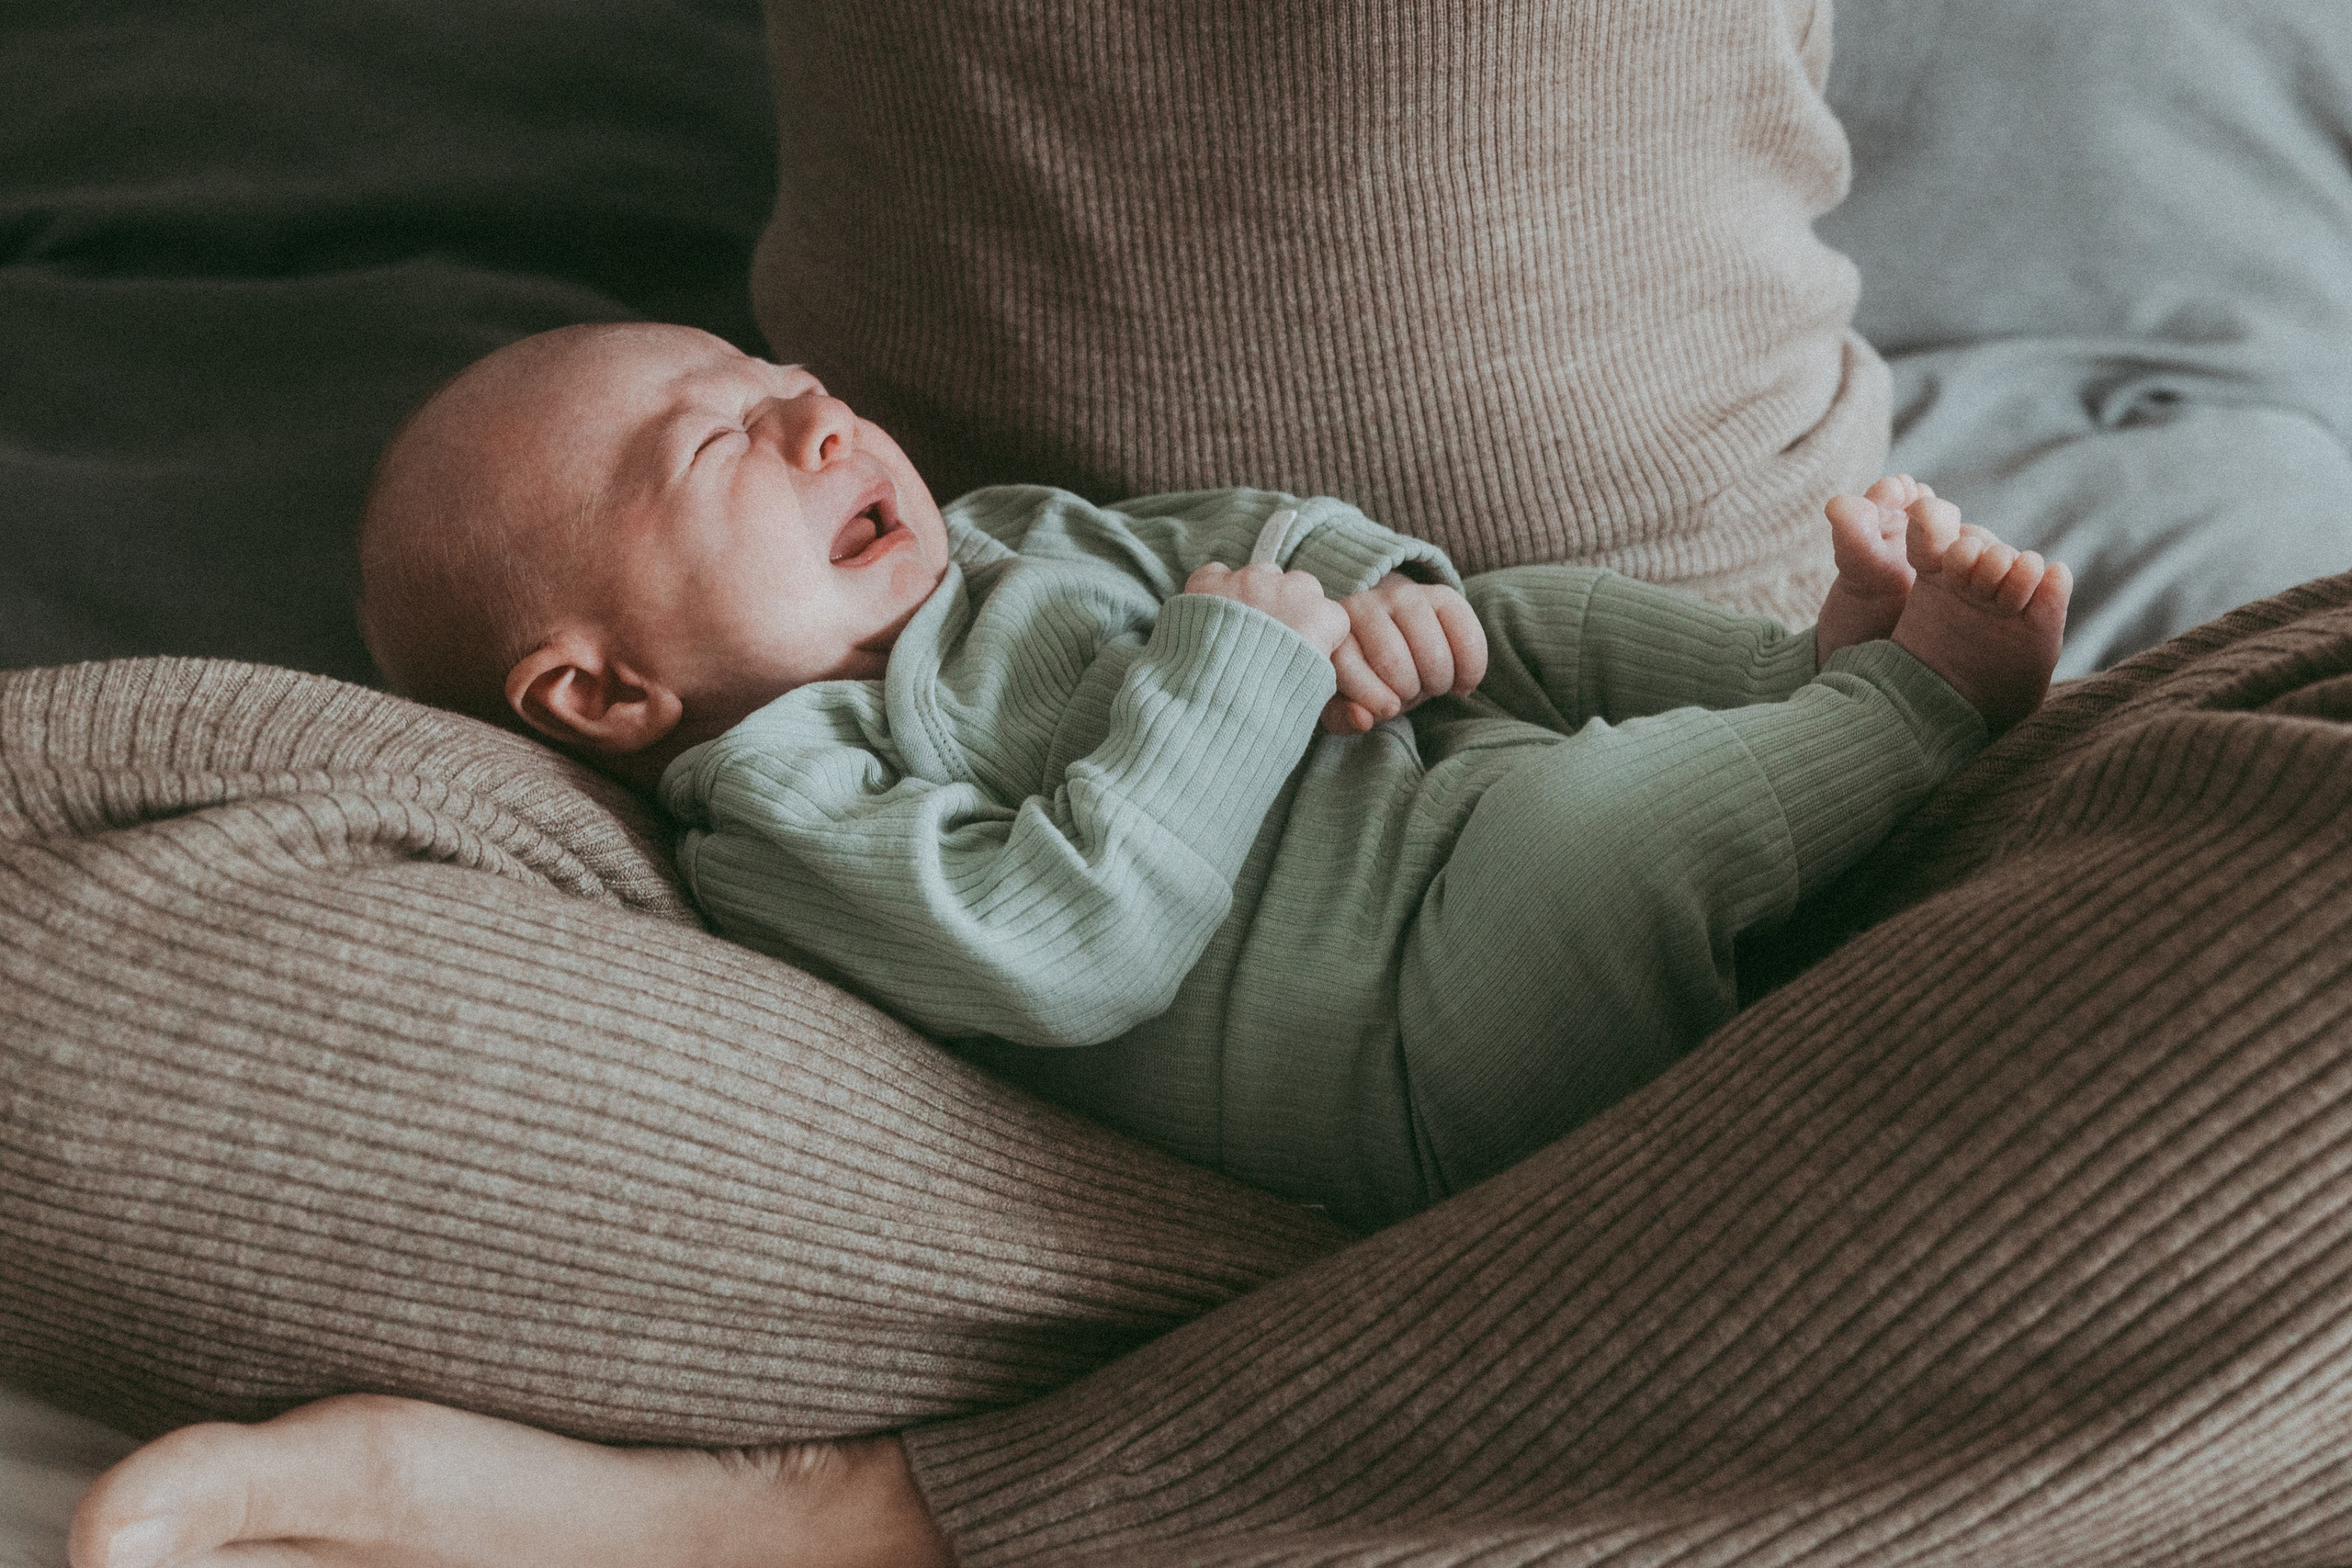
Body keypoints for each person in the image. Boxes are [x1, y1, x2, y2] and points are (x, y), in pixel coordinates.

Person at [347, 320, 2069, 1233]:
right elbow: (1065, 946)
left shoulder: (1006, 536)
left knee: (1531, 616)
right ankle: (1920, 708)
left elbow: (1251, 538)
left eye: (793, 384)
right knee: (1587, 829)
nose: (820, 421)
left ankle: (1803, 677)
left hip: (1438, 770)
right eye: (722, 440)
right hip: (1424, 1050)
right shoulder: (786, 811)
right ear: (602, 690)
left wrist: (1374, 603)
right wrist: (1235, 665)